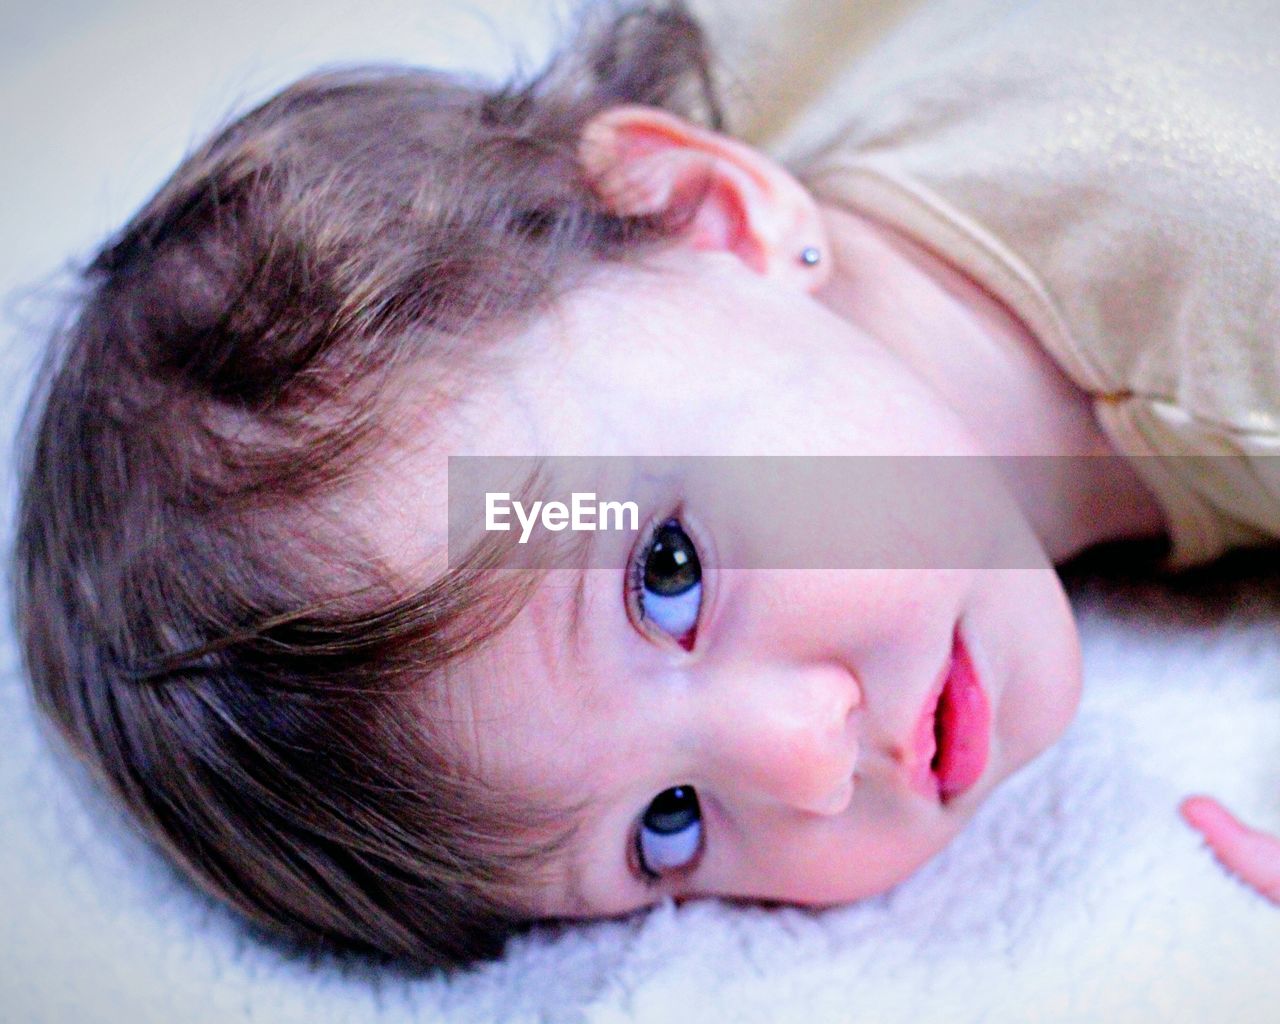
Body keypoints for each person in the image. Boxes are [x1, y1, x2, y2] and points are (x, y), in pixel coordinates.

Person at [10, 0, 1280, 970]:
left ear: (702, 206)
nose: (803, 765)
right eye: (665, 827)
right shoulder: (699, 275)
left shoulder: (1225, 258)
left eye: (666, 576)